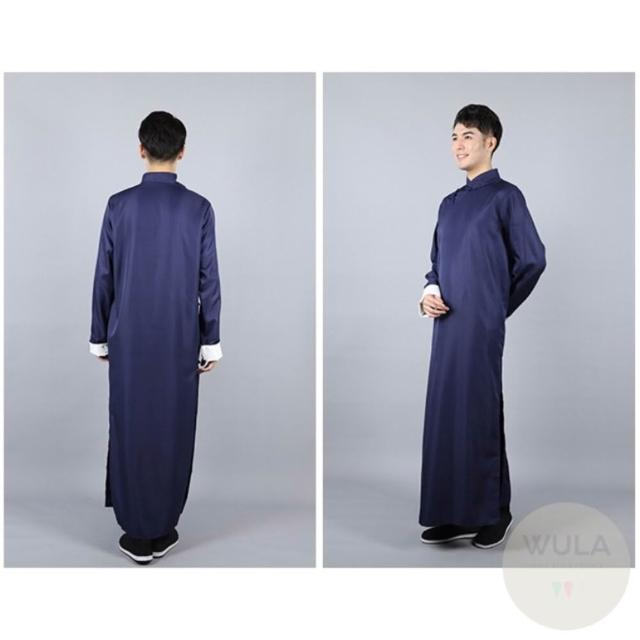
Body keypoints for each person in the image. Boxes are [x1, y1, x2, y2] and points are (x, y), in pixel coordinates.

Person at [89, 111, 222, 564]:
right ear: (182, 152)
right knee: (173, 426)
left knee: (129, 424)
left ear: (141, 149)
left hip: (127, 335)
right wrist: (210, 339)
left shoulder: (118, 205)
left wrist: (99, 335)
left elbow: (104, 275)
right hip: (180, 338)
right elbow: (209, 281)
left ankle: (135, 529)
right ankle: (162, 526)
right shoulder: (199, 208)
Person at [418, 104, 546, 549]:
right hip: (447, 327)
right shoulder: (449, 204)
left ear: (491, 142)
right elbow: (437, 263)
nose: (458, 145)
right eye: (454, 136)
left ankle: (494, 512)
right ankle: (453, 513)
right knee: (446, 414)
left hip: (480, 326)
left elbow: (533, 259)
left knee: (479, 413)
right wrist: (428, 293)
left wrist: (495, 306)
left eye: (468, 136)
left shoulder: (505, 197)